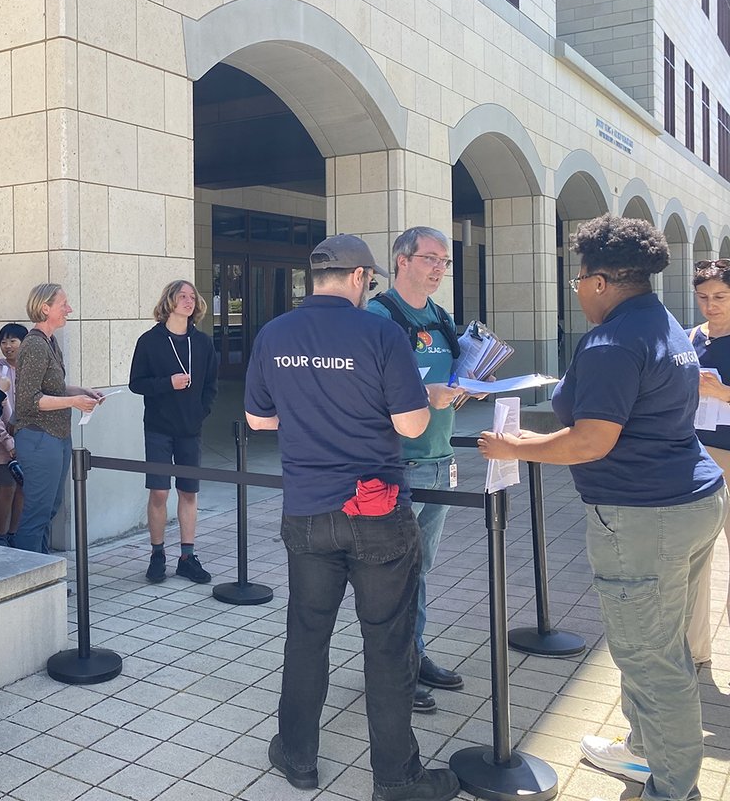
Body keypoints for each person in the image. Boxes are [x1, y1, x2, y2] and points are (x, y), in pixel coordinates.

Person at [479, 214, 726, 801]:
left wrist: (515, 446)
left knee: (650, 654)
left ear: (596, 281)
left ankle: (673, 787)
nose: (579, 294)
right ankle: (644, 754)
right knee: (654, 642)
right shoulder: (660, 321)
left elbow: (591, 441)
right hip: (691, 498)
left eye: (577, 284)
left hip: (645, 515)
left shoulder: (614, 341)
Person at [245, 234, 457, 801]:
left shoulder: (274, 333)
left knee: (307, 636)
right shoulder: (381, 333)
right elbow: (411, 427)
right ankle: (396, 777)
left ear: (313, 277)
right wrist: (431, 400)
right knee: (387, 644)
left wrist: (310, 409)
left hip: (309, 509)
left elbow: (258, 422)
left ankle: (297, 758)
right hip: (379, 510)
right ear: (362, 277)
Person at [367, 227, 466, 712]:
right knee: (393, 576)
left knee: (420, 570)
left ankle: (415, 655)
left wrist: (465, 386)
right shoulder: (378, 316)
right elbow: (363, 394)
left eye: (444, 261)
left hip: (439, 456)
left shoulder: (441, 317)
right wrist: (423, 397)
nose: (439, 268)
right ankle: (392, 674)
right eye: (430, 258)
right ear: (402, 260)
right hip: (397, 466)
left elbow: (447, 376)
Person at [129, 280, 219, 584]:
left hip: (190, 430)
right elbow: (136, 383)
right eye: (182, 296)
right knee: (159, 492)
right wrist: (168, 383)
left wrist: (201, 411)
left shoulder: (204, 343)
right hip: (158, 427)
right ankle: (157, 554)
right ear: (169, 300)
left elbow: (211, 386)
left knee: (189, 492)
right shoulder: (150, 341)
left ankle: (187, 556)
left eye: (193, 296)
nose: (189, 300)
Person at [12, 284, 104, 554]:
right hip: (39, 437)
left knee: (49, 508)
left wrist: (82, 392)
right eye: (64, 304)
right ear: (45, 308)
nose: (69, 309)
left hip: (56, 437)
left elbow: (52, 388)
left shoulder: (50, 342)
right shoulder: (35, 345)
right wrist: (74, 402)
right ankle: (30, 579)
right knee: (37, 511)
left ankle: (44, 574)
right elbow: (30, 399)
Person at [687, 258, 730, 666]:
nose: (710, 305)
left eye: (720, 297)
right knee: (693, 557)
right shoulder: (689, 339)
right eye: (703, 297)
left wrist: (724, 393)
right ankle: (695, 651)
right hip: (694, 455)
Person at [0, 323, 27, 546]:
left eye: (13, 341)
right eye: (3, 341)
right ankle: (0, 534)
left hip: (28, 440)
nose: (7, 346)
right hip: (2, 443)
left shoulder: (30, 369)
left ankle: (14, 533)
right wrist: (7, 440)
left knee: (23, 488)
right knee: (6, 489)